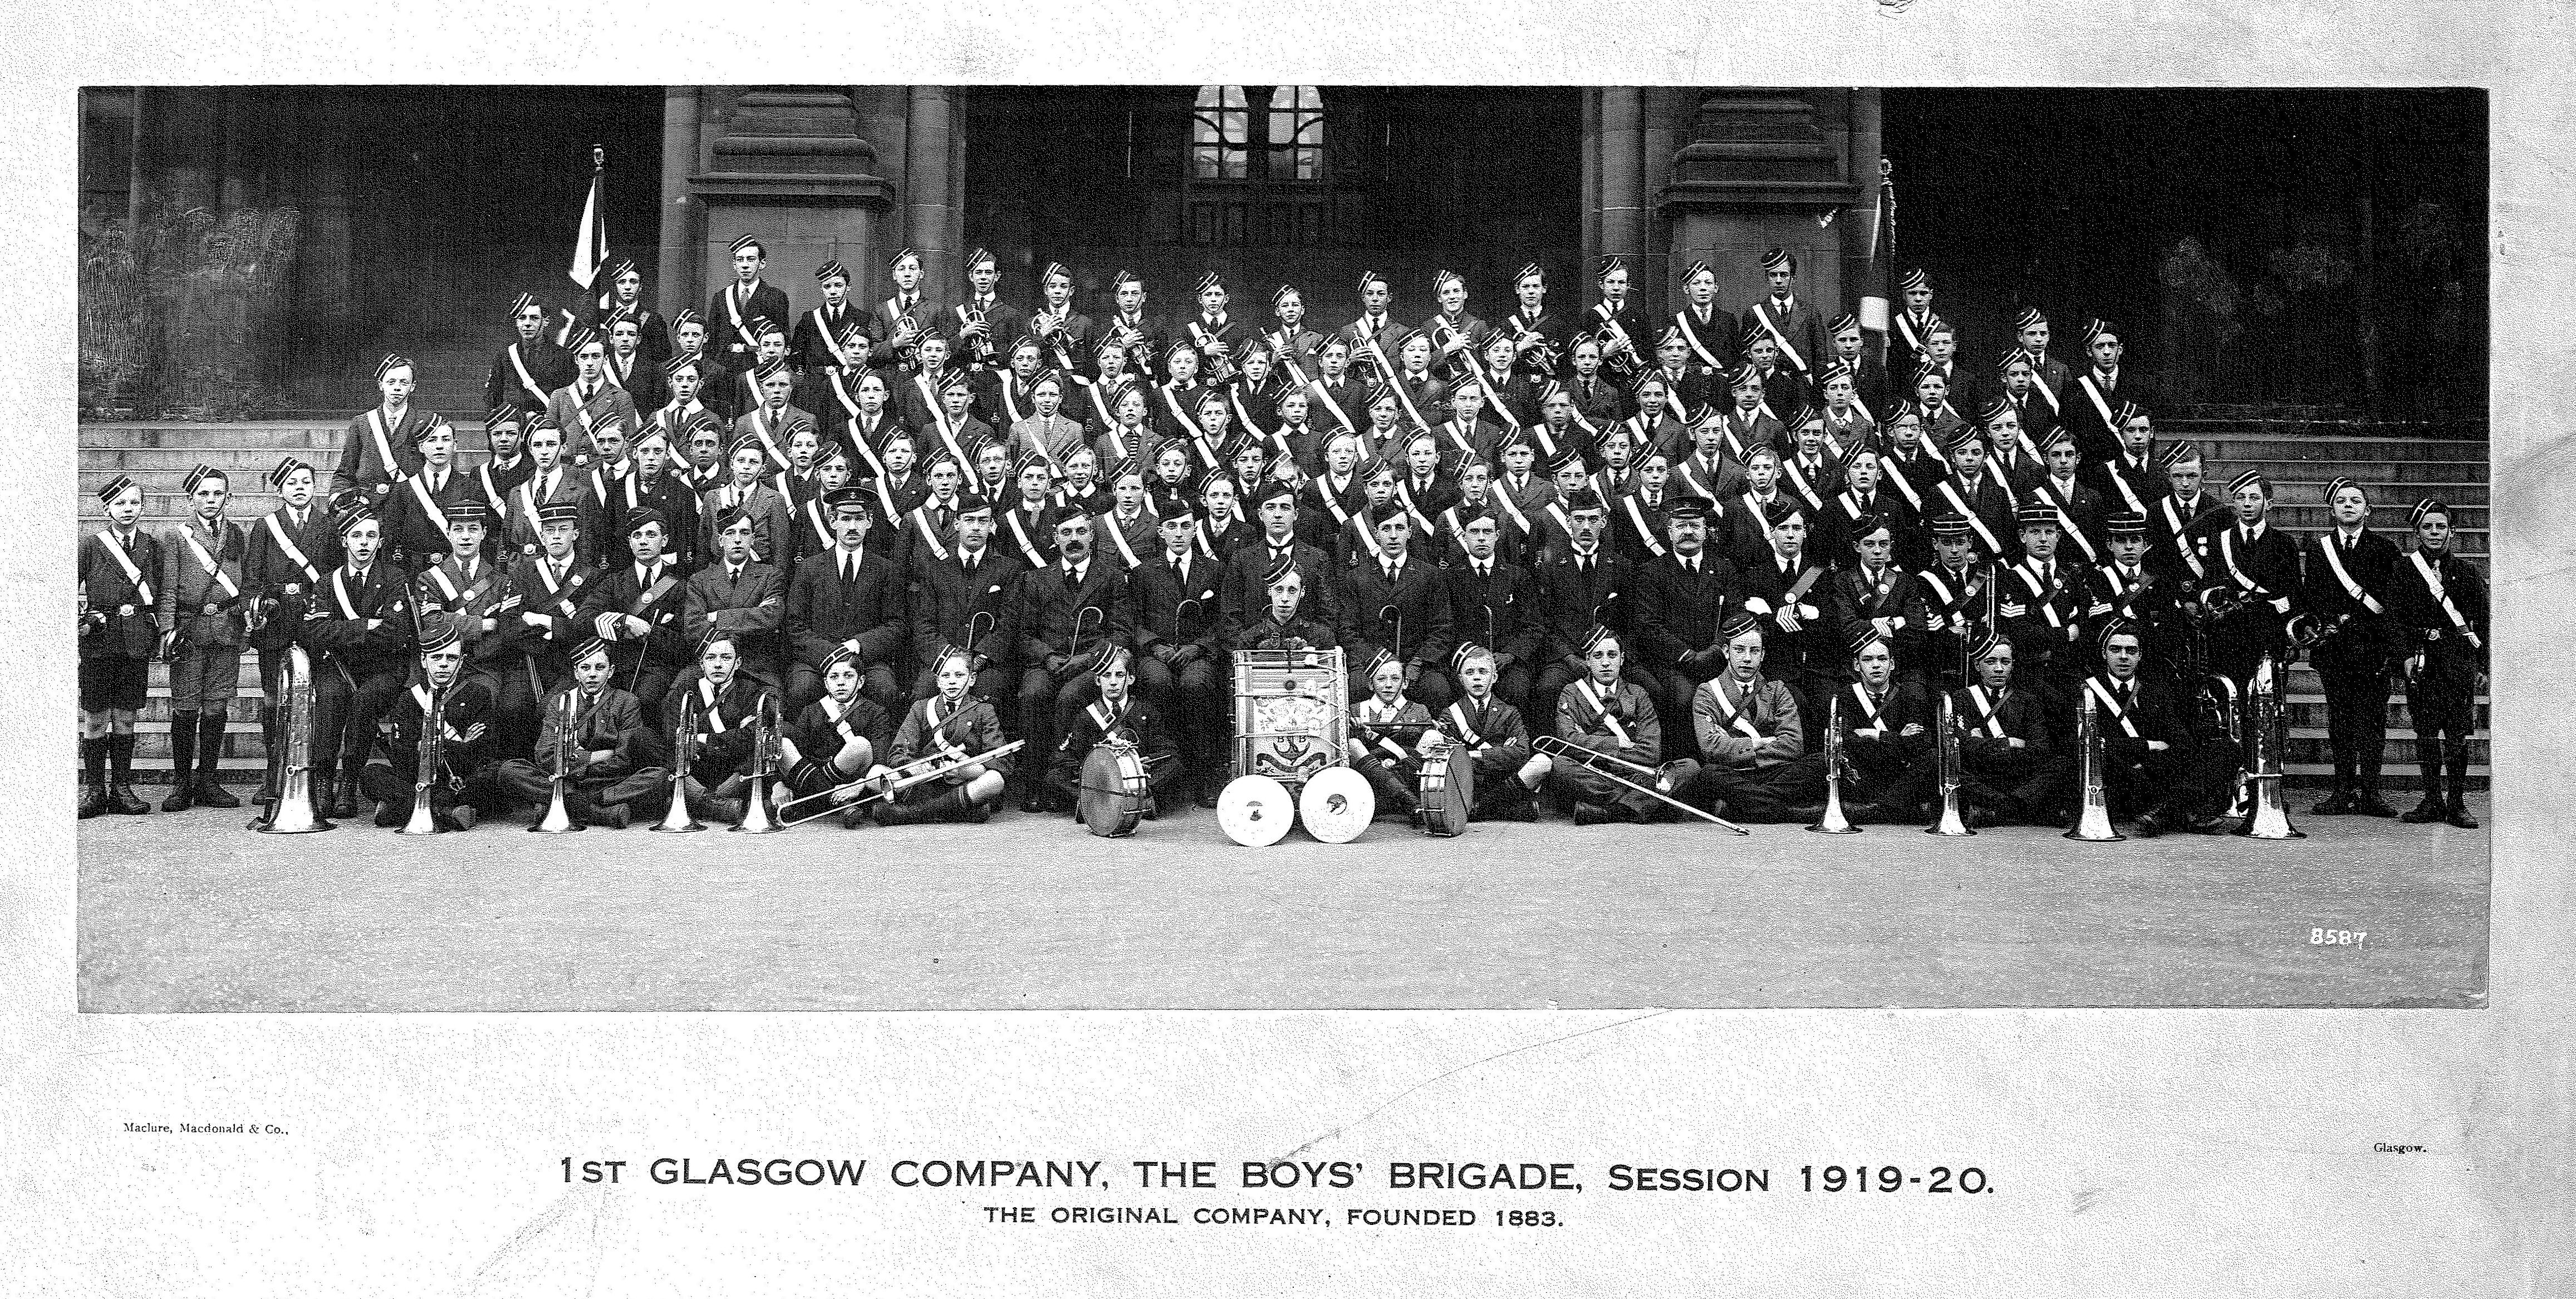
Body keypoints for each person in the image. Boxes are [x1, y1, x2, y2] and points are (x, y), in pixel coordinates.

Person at [1015, 509, 1133, 811]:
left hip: (1094, 664)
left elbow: (1120, 631)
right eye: (1066, 533)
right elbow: (1022, 632)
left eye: (1081, 531)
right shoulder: (1036, 579)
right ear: (1056, 538)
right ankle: (1036, 784)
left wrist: (1087, 659)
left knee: (1071, 696)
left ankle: (1069, 782)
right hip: (1048, 661)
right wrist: (1047, 655)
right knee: (1033, 695)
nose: (1074, 539)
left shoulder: (1112, 577)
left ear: (1092, 536)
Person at [2076, 620, 2239, 837]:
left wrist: (2168, 749)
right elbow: (2092, 744)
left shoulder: (2156, 690)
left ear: (2140, 655)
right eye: (2116, 650)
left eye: (2131, 651)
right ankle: (2182, 812)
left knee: (2225, 748)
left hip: (2157, 771)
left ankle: (2164, 811)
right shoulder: (2087, 690)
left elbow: (2180, 739)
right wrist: (2148, 745)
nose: (2123, 657)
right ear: (2105, 654)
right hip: (2118, 774)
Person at [241, 457, 342, 806]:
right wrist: (259, 602)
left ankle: (312, 786)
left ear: (315, 487)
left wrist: (323, 607)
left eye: (305, 482)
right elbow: (252, 575)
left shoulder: (329, 526)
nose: (299, 488)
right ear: (280, 489)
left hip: (317, 623)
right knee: (276, 704)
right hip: (277, 624)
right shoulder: (266, 527)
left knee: (315, 704)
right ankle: (275, 784)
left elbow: (336, 573)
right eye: (291, 483)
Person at [303, 504, 413, 821]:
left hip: (383, 668)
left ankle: (350, 783)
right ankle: (323, 784)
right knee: (330, 704)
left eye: (371, 536)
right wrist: (368, 626)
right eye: (356, 536)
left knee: (368, 701)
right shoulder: (328, 582)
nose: (364, 542)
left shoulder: (394, 579)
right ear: (344, 542)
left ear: (379, 542)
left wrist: (347, 629)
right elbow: (315, 631)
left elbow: (400, 633)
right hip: (338, 667)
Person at [2300, 476, 2403, 817]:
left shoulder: (2385, 549)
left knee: (2373, 721)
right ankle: (2342, 789)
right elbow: (2312, 594)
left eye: (2356, 501)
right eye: (2342, 501)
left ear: (2368, 510)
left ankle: (2372, 791)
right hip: (2335, 650)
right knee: (2340, 720)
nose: (2349, 505)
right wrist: (2330, 621)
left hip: (2373, 649)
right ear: (2332, 509)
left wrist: (2384, 646)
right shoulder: (2319, 549)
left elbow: (2391, 601)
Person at [2383, 498, 2487, 829]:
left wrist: (2483, 666)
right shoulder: (2404, 570)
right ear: (2417, 532)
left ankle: (2456, 803)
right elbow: (2394, 619)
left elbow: (2482, 621)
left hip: (2456, 663)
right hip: (2422, 662)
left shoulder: (2466, 573)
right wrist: (2405, 654)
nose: (2434, 533)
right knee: (2426, 733)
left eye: (2440, 526)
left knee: (2457, 736)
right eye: (2427, 527)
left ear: (2451, 531)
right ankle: (2431, 800)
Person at [153, 465, 251, 812]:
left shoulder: (237, 534)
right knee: (185, 707)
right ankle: (181, 785)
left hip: (226, 629)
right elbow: (166, 588)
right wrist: (167, 630)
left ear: (226, 497)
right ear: (190, 499)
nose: (212, 500)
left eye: (218, 494)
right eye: (203, 494)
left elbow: (244, 579)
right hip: (190, 631)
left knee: (217, 706)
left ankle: (208, 781)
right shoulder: (176, 537)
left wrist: (245, 619)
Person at [492, 636, 668, 829]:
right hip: (564, 781)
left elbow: (623, 758)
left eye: (600, 667)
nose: (592, 674)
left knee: (658, 776)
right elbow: (544, 755)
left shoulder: (626, 701)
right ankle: (597, 811)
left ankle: (569, 804)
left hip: (609, 782)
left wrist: (577, 761)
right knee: (509, 770)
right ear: (576, 673)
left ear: (611, 671)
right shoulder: (561, 701)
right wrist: (595, 756)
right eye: (585, 668)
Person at [1680, 615, 1826, 822]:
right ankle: (1788, 811)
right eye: (1739, 650)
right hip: (1734, 774)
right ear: (1726, 652)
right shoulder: (1708, 692)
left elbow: (1793, 746)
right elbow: (1711, 748)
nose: (1747, 658)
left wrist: (1735, 745)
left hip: (1776, 774)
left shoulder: (1777, 691)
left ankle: (1747, 806)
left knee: (1820, 763)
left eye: (1754, 651)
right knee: (1709, 775)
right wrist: (1761, 743)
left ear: (1763, 655)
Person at [78, 476, 165, 817]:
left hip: (135, 640)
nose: (127, 509)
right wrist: (83, 616)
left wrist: (158, 633)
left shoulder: (151, 546)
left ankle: (123, 789)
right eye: (120, 503)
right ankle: (95, 791)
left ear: (143, 506)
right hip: (100, 641)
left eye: (134, 502)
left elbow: (161, 591)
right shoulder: (91, 546)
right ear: (106, 508)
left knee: (127, 717)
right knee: (97, 719)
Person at [1130, 503, 1227, 805]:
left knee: (1197, 687)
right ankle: (1163, 776)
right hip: (1155, 652)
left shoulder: (1213, 570)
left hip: (1196, 652)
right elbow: (1134, 620)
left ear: (1195, 530)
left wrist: (1198, 647)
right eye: (1172, 526)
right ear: (1161, 531)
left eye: (1186, 526)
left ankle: (1204, 774)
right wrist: (1154, 646)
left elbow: (1223, 620)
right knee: (1157, 686)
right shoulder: (1144, 573)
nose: (1179, 533)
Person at [1549, 628, 1697, 824]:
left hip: (1638, 774)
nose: (1605, 662)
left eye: (1612, 655)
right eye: (1598, 656)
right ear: (1587, 661)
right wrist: (1619, 744)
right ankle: (1645, 803)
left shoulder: (1638, 694)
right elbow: (1570, 743)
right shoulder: (1572, 693)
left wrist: (1589, 742)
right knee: (1560, 766)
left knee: (1689, 767)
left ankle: (1610, 812)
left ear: (1622, 659)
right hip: (1596, 775)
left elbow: (1652, 751)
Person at [357, 622, 497, 830]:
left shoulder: (477, 694)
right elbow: (400, 754)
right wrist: (456, 743)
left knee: (492, 777)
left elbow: (479, 751)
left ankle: (400, 809)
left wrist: (427, 746)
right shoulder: (409, 699)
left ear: (460, 662)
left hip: (458, 780)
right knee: (370, 774)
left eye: (452, 658)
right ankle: (444, 812)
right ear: (424, 661)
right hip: (415, 778)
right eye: (436, 657)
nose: (443, 664)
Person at [782, 487, 907, 716]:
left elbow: (895, 626)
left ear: (870, 522)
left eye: (859, 519)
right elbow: (795, 626)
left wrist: (858, 646)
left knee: (885, 689)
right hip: (816, 658)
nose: (852, 527)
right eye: (845, 519)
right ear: (832, 521)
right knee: (801, 690)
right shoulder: (808, 568)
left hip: (866, 660)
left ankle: (879, 748)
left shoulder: (887, 570)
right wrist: (831, 654)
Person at [577, 509, 691, 732]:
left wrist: (649, 631)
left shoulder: (682, 583)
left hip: (658, 666)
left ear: (664, 540)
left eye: (651, 534)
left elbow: (685, 640)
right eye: (637, 535)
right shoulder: (615, 580)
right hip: (616, 665)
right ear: (630, 542)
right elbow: (584, 618)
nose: (644, 541)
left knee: (641, 701)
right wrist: (624, 621)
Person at [1337, 501, 1455, 709]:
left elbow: (1443, 629)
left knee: (1438, 689)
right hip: (1371, 665)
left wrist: (1418, 662)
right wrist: (1377, 660)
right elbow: (1348, 632)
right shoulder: (1356, 578)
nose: (1393, 535)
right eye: (1386, 528)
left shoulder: (1430, 576)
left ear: (1410, 532)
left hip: (1416, 664)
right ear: (1375, 533)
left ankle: (1430, 738)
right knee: (1354, 688)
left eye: (1400, 528)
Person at [1949, 630, 2074, 827]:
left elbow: (2041, 747)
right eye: (1991, 662)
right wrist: (2009, 743)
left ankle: (1998, 809)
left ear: (2012, 665)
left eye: (2005, 662)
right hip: (1981, 775)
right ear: (1977, 666)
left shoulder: (2028, 701)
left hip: (2018, 774)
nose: (1999, 669)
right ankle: (2018, 808)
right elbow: (1961, 745)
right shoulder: (1960, 698)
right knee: (1949, 765)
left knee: (2062, 764)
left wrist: (1983, 742)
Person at [879, 645, 1015, 825]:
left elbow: (1001, 758)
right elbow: (898, 751)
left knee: (994, 781)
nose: (952, 682)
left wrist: (966, 769)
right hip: (927, 784)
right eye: (945, 676)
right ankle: (959, 810)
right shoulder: (921, 708)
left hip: (963, 782)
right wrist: (914, 767)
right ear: (937, 681)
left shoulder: (984, 711)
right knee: (878, 775)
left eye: (959, 675)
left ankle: (911, 814)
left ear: (972, 679)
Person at [1531, 488, 1636, 720]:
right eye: (1579, 519)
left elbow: (1630, 619)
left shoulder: (1619, 564)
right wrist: (1569, 656)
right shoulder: (1551, 565)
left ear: (1604, 522)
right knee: (1546, 690)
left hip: (1612, 655)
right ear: (1569, 522)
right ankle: (1549, 751)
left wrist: (1614, 656)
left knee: (1652, 688)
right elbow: (1543, 621)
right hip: (1566, 655)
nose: (1586, 527)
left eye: (1593, 519)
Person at [1048, 644, 1185, 820]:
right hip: (1101, 779)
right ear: (1097, 680)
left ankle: (1129, 796)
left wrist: (1143, 764)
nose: (1113, 682)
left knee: (1175, 765)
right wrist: (1095, 770)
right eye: (1106, 675)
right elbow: (1064, 759)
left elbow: (1169, 752)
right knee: (1056, 775)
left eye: (1119, 675)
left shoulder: (1146, 712)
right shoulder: (1087, 717)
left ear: (1131, 679)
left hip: (1138, 777)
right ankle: (1107, 800)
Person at [772, 644, 899, 830]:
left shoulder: (876, 712)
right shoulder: (810, 712)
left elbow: (879, 759)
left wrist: (860, 785)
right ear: (825, 682)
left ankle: (814, 800)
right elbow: (798, 754)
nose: (841, 682)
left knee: (860, 745)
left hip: (852, 784)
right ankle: (840, 806)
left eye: (848, 676)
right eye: (834, 677)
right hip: (813, 776)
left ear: (861, 681)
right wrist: (779, 784)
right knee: (783, 744)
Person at [501, 501, 592, 761]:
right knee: (512, 707)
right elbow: (510, 624)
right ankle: (519, 771)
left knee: (561, 711)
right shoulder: (523, 570)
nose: (555, 536)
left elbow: (587, 627)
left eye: (563, 529)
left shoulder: (592, 575)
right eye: (549, 530)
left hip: (571, 663)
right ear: (541, 534)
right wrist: (557, 630)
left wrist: (544, 623)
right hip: (529, 661)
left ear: (575, 534)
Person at [1425, 643, 1550, 822]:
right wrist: (1501, 752)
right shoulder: (1451, 714)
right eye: (1470, 673)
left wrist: (1476, 754)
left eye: (1483, 672)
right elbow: (1448, 759)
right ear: (1461, 679)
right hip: (1470, 782)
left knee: (1542, 762)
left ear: (1494, 677)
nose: (1477, 678)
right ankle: (1506, 810)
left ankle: (1481, 810)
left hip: (1504, 780)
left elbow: (1522, 753)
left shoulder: (1510, 712)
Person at [2202, 469, 2303, 689]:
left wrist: (2274, 609)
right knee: (2231, 696)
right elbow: (2210, 584)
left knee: (2268, 702)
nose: (2247, 504)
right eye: (2241, 498)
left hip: (2268, 630)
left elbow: (2294, 591)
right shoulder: (2220, 540)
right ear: (2234, 503)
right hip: (2229, 631)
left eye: (2255, 498)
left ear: (2269, 504)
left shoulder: (2283, 542)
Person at [665, 630, 777, 825]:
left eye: (726, 657)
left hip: (735, 772)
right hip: (696, 769)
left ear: (738, 663)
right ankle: (716, 805)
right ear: (702, 663)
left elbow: (750, 738)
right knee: (667, 754)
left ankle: (702, 804)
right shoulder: (684, 694)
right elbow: (674, 737)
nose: (718, 664)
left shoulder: (754, 692)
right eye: (711, 657)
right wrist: (732, 735)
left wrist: (702, 738)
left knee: (761, 751)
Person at [1444, 509, 1540, 718]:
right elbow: (1446, 625)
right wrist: (1469, 656)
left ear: (1497, 535)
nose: (1481, 538)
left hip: (1506, 659)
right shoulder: (1450, 577)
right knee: (1454, 692)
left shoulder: (1517, 576)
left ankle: (1511, 743)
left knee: (1517, 689)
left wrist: (1510, 654)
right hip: (1465, 660)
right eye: (1474, 532)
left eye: (1487, 532)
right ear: (1464, 536)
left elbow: (1534, 625)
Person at [1834, 625, 1936, 823]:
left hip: (1902, 775)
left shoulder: (1909, 694)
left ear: (1893, 664)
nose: (1876, 665)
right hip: (1866, 772)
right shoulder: (1846, 696)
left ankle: (1884, 807)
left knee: (1931, 757)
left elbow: (1921, 742)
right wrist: (1899, 739)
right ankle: (1892, 808)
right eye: (1868, 659)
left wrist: (1877, 735)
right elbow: (1845, 740)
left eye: (1882, 659)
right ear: (1857, 666)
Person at [1997, 504, 2089, 717]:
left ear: (2058, 535)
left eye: (2049, 532)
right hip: (2033, 671)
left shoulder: (2072, 574)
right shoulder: (2012, 578)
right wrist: (2065, 634)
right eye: (2035, 532)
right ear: (2022, 536)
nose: (2043, 539)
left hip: (2071, 668)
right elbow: (2020, 632)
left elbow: (2084, 621)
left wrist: (2066, 633)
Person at [1224, 482, 1337, 646]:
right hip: (1256, 659)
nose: (1278, 515)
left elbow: (1329, 616)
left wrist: (1308, 649)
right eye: (1270, 508)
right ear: (1261, 515)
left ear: (1296, 514)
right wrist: (1252, 651)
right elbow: (1231, 618)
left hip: (1305, 660)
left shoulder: (1318, 559)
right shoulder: (1241, 560)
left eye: (1285, 508)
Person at [1830, 513, 1930, 688]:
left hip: (1899, 670)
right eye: (1869, 544)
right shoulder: (1842, 581)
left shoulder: (1905, 582)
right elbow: (1846, 628)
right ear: (1857, 547)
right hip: (1855, 671)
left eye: (1883, 544)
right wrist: (1896, 622)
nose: (1877, 550)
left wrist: (1873, 624)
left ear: (1891, 547)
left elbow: (1918, 628)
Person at [1345, 650, 1434, 821]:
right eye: (1381, 679)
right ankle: (1410, 802)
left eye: (1395, 679)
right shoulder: (1356, 711)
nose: (1388, 685)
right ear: (1371, 685)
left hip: (1409, 773)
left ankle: (1401, 796)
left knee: (1432, 735)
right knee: (1352, 744)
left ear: (1405, 682)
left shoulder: (1420, 710)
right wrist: (1355, 728)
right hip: (1372, 779)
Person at [377, 416, 473, 575]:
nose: (440, 446)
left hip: (456, 572)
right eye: (432, 440)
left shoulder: (470, 487)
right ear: (421, 447)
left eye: (446, 439)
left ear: (455, 445)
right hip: (412, 571)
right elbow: (391, 536)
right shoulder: (403, 489)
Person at [344, 352, 439, 501]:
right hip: (369, 504)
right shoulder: (362, 423)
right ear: (381, 385)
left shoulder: (425, 422)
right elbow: (345, 473)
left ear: (413, 387)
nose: (397, 388)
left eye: (404, 382)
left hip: (410, 504)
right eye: (391, 382)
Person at [547, 327, 642, 463]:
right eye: (584, 357)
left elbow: (629, 442)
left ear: (605, 360)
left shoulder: (622, 397)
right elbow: (548, 439)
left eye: (596, 356)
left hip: (603, 471)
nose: (590, 363)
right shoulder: (559, 396)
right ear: (576, 360)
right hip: (565, 470)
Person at [2063, 318, 2151, 462]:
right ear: (2089, 351)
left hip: (2128, 468)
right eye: (2100, 347)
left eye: (2112, 346)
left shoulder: (2138, 387)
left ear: (2120, 350)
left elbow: (2147, 432)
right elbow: (2070, 433)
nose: (2107, 352)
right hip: (2090, 469)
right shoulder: (2075, 388)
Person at [709, 235, 793, 372]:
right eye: (740, 260)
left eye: (751, 259)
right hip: (724, 369)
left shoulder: (776, 297)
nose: (745, 265)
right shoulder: (721, 298)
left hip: (759, 369)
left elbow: (782, 339)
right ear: (734, 265)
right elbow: (712, 341)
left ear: (762, 263)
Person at [486, 298, 575, 423]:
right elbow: (493, 396)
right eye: (522, 318)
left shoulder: (563, 357)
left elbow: (570, 399)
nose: (527, 323)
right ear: (516, 322)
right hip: (515, 428)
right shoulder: (504, 357)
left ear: (545, 322)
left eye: (534, 318)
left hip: (549, 427)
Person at [1233, 555, 1337, 653]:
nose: (1285, 598)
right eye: (1279, 590)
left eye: (1292, 590)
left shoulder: (1321, 636)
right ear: (1270, 591)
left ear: (1302, 591)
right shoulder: (1250, 639)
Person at [1583, 256, 1652, 384]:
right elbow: (1581, 358)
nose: (1616, 288)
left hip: (1633, 383)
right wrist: (1604, 353)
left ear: (1628, 285)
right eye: (1610, 282)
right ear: (1601, 284)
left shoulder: (1640, 317)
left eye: (1621, 282)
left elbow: (1649, 353)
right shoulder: (1589, 318)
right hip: (1601, 383)